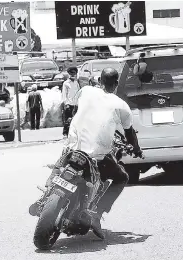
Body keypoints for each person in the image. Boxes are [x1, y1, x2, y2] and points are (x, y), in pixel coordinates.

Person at [64, 68, 142, 239]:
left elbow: (76, 110)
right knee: (122, 177)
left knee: (62, 160)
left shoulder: (86, 91)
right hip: (96, 156)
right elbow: (130, 134)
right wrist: (136, 149)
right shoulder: (121, 105)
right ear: (116, 84)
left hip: (72, 147)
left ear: (100, 80)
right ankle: (96, 214)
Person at [61, 67, 81, 136]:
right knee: (68, 120)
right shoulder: (66, 83)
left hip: (76, 104)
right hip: (69, 104)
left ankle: (74, 133)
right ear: (69, 74)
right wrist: (66, 104)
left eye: (74, 74)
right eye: (71, 74)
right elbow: (64, 95)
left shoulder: (76, 82)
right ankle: (66, 133)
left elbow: (79, 93)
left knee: (75, 119)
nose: (73, 75)